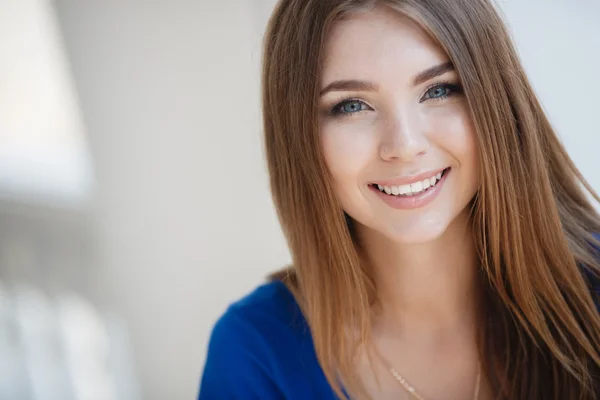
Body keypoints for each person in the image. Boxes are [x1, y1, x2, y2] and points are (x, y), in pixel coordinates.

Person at [198, 0, 600, 399]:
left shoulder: (592, 294)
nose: (404, 146)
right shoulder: (254, 353)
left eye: (438, 90)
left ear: (497, 101)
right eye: (351, 106)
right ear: (297, 137)